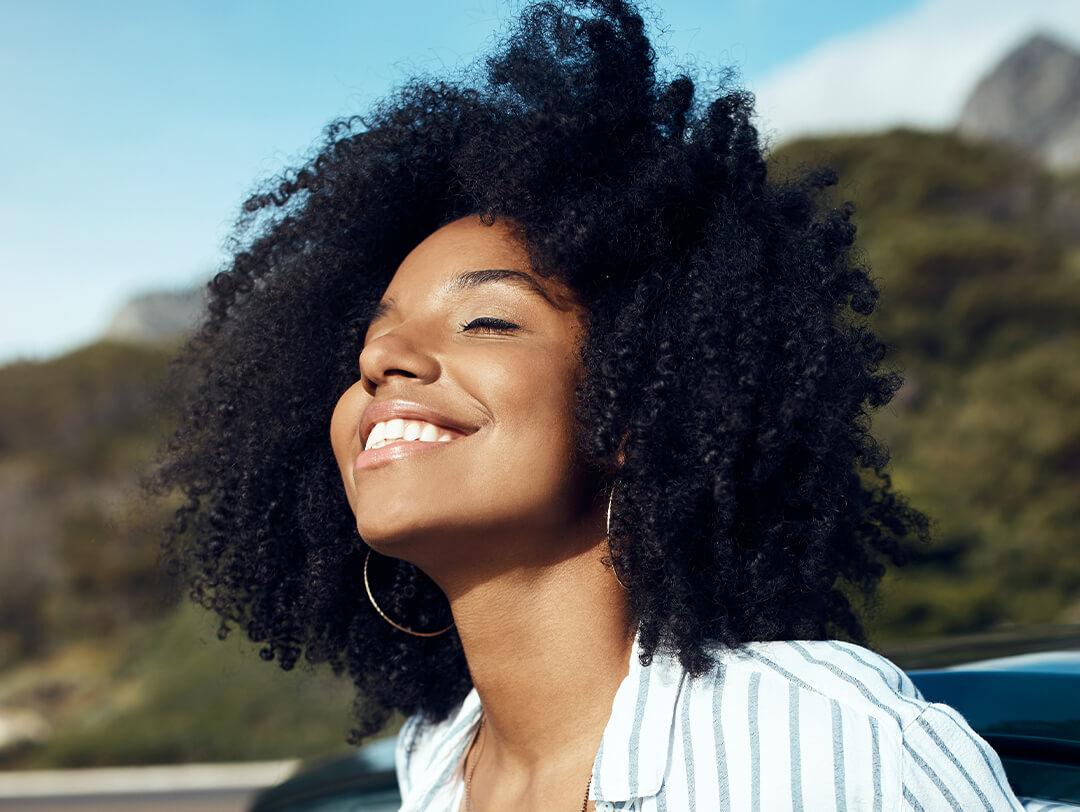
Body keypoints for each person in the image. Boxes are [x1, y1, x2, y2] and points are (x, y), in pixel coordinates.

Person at [148, 0, 1031, 809]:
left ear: (636, 406)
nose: (380, 359)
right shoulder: (433, 764)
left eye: (486, 320)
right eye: (372, 338)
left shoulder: (832, 742)